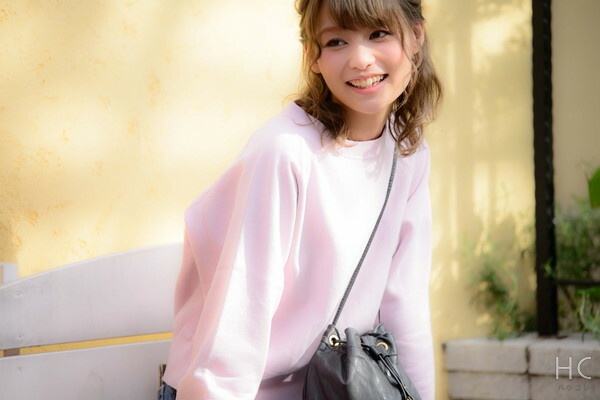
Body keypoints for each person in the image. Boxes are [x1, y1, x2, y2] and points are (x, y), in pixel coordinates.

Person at [160, 0, 442, 398]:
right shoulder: (285, 152)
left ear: (415, 36)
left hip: (335, 388)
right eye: (337, 41)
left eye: (378, 34)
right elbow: (239, 314)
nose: (361, 59)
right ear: (313, 56)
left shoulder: (407, 150)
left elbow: (405, 306)